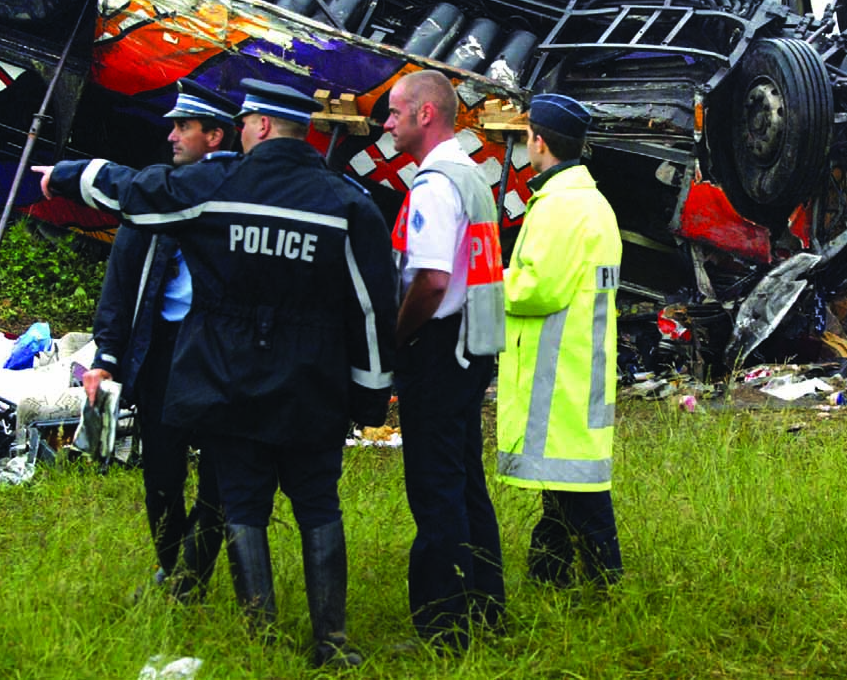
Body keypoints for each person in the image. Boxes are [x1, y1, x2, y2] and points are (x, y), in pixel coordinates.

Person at [35, 78, 395, 668]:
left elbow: (136, 191)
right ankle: (332, 643)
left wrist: (69, 174)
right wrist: (371, 395)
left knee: (245, 506)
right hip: (312, 385)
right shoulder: (348, 202)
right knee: (319, 506)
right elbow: (372, 306)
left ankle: (261, 642)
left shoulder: (217, 185)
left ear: (255, 126)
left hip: (232, 382)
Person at [83, 78, 238, 603]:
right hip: (162, 347)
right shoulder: (155, 196)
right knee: (162, 471)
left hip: (217, 352)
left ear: (215, 137)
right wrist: (105, 355)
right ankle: (171, 565)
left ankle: (191, 576)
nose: (171, 136)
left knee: (221, 472)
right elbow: (120, 281)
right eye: (172, 125)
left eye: (184, 127)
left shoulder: (236, 194)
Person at [383, 69, 506, 650]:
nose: (386, 123)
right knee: (464, 484)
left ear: (424, 115)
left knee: (435, 490)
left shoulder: (434, 184)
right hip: (471, 344)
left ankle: (443, 627)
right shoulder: (473, 175)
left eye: (394, 112)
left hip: (436, 345)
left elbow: (430, 281)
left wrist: (396, 338)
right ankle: (487, 606)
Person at [497, 93, 623, 590]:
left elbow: (536, 288)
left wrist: (487, 281)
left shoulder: (561, 207)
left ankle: (605, 583)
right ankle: (549, 576)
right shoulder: (589, 203)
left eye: (527, 135)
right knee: (564, 489)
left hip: (559, 378)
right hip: (578, 369)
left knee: (578, 492)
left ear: (539, 141)